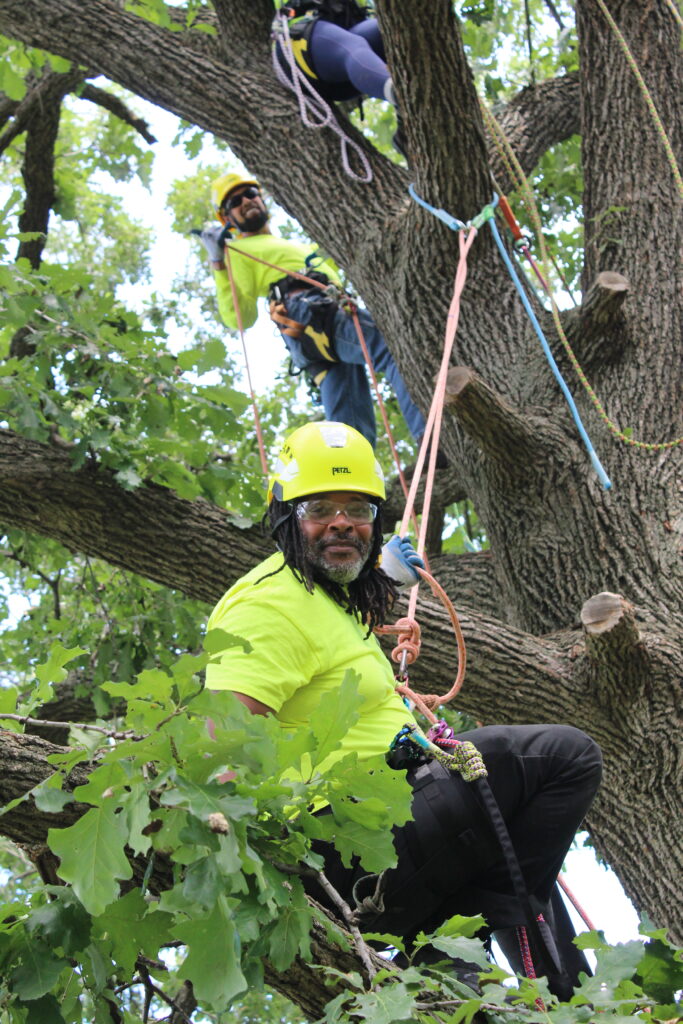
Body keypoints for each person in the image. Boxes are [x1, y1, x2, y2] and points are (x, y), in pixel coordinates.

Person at [205, 420, 602, 998]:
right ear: (285, 517)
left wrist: (385, 573)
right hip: (346, 842)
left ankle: (565, 1001)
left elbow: (338, 612)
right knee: (565, 758)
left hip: (395, 831)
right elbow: (223, 742)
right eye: (320, 506)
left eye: (359, 509)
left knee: (474, 981)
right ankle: (484, 908)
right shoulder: (266, 605)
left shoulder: (332, 604)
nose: (342, 521)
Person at [196, 173, 425, 449]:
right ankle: (432, 434)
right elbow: (240, 318)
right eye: (236, 200)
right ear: (226, 219)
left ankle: (350, 480)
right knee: (392, 344)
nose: (247, 201)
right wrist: (218, 262)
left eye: (251, 193)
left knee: (348, 420)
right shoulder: (237, 252)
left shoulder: (286, 244)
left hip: (316, 318)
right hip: (306, 311)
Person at [271, 0, 406, 155]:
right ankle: (402, 97)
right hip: (302, 42)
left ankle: (404, 127)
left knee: (392, 30)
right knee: (353, 46)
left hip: (350, 59)